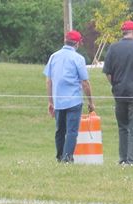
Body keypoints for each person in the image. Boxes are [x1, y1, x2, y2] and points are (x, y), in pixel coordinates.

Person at [103, 20, 133, 166]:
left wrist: (115, 84)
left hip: (119, 93)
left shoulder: (113, 48)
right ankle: (132, 160)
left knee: (122, 127)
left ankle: (123, 158)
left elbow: (108, 73)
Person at [45, 30, 95, 163]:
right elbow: (85, 82)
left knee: (60, 130)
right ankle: (67, 158)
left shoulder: (53, 56)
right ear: (77, 44)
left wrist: (50, 101)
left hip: (58, 101)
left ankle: (60, 156)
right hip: (74, 101)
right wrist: (91, 102)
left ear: (65, 41)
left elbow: (49, 81)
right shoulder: (78, 58)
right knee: (72, 131)